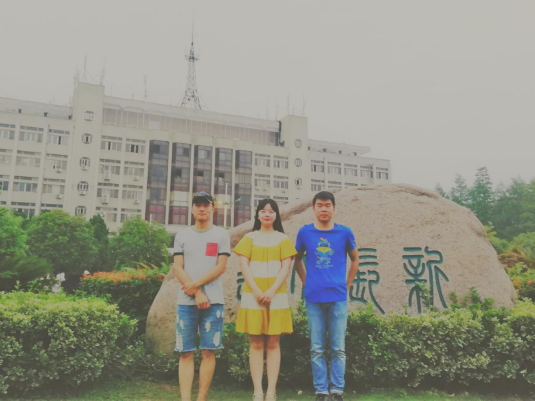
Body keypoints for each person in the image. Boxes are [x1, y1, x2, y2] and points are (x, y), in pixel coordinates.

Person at [294, 191, 359, 401]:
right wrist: (307, 281)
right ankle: (321, 391)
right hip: (314, 298)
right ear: (313, 208)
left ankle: (337, 390)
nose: (324, 209)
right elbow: (297, 259)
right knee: (317, 348)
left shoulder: (344, 232)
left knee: (338, 348)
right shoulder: (305, 232)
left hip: (338, 298)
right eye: (320, 205)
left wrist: (347, 285)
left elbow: (355, 259)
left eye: (327, 205)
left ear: (334, 208)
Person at [233, 198, 297, 401]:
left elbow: (286, 268)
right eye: (263, 210)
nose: (267, 214)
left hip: (276, 296)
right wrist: (256, 290)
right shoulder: (249, 238)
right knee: (256, 342)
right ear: (258, 214)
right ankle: (257, 391)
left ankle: (271, 391)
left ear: (277, 215)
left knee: (273, 342)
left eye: (271, 211)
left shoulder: (283, 239)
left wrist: (270, 291)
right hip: (252, 295)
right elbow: (244, 266)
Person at [172, 192, 231, 401]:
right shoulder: (182, 235)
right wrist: (197, 293)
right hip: (186, 303)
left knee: (208, 351)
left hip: (213, 302)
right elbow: (177, 268)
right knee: (185, 352)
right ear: (192, 209)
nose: (202, 209)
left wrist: (196, 286)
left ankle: (201, 398)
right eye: (197, 205)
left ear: (213, 209)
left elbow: (220, 267)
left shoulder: (221, 235)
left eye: (206, 205)